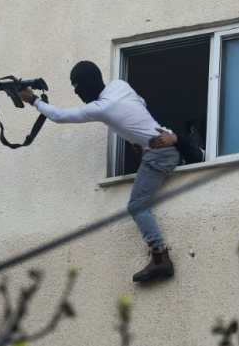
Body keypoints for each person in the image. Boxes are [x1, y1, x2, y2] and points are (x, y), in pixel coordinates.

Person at [19, 61, 180, 282]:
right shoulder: (120, 85)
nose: (76, 91)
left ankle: (161, 259)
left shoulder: (102, 106)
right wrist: (139, 139)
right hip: (161, 148)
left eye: (77, 85)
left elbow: (59, 116)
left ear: (88, 82)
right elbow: (139, 104)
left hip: (159, 154)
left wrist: (33, 100)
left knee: (137, 206)